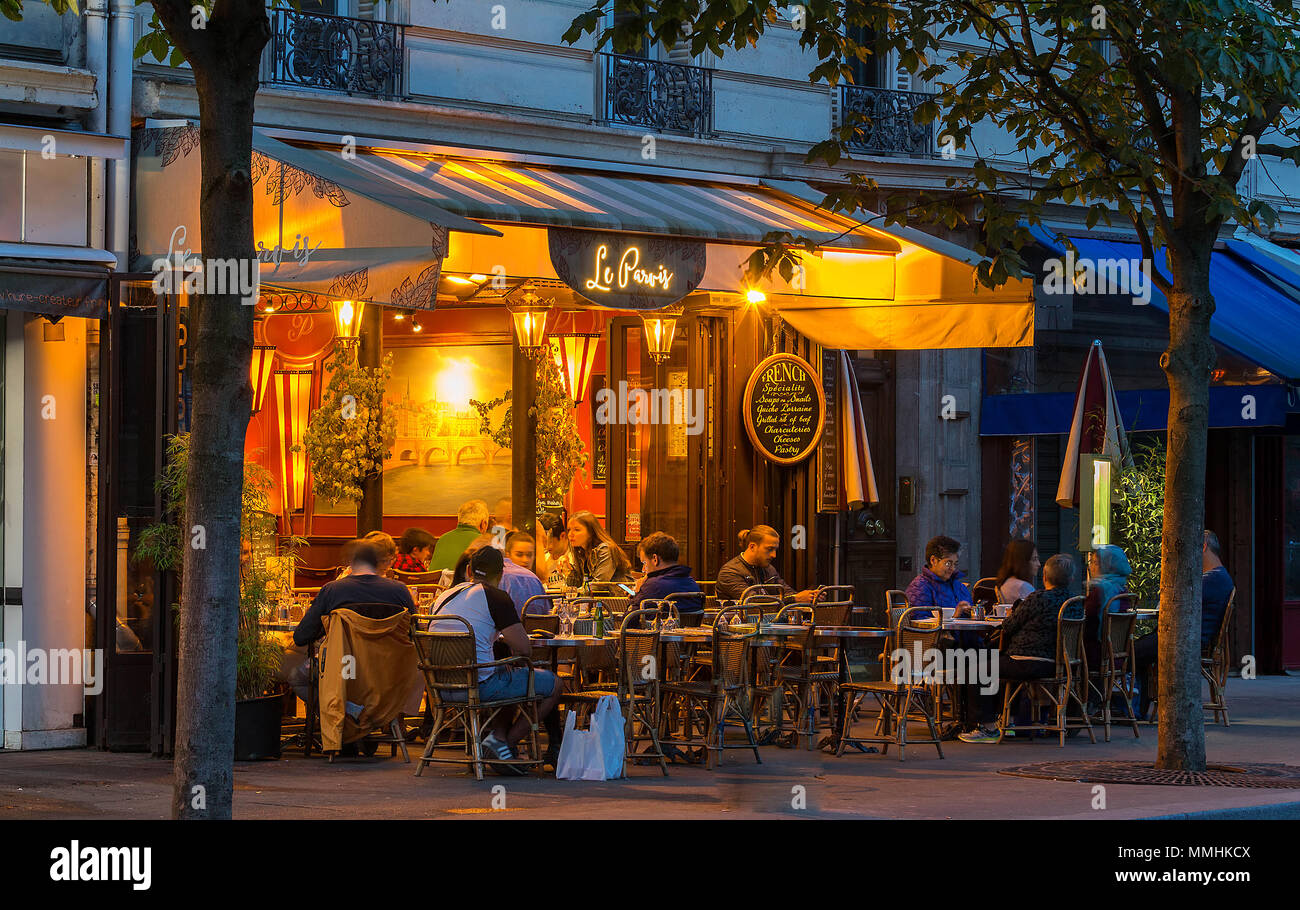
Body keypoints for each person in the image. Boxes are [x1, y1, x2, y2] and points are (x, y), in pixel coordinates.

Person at [432, 547, 564, 772]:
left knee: (509, 673)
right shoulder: (495, 597)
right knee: (554, 684)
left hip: (442, 686)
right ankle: (504, 745)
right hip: (480, 686)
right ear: (501, 574)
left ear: (468, 570)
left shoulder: (444, 596)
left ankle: (498, 738)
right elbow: (524, 649)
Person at [959, 554, 1082, 743]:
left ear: (1045, 577)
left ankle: (987, 728)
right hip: (1059, 663)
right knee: (994, 665)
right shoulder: (1075, 604)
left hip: (1026, 661)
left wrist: (1012, 613)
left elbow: (1008, 626)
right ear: (1071, 579)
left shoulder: (1038, 598)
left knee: (976, 670)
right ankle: (1007, 721)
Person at [279, 540, 415, 702]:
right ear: (377, 563)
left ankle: (340, 715)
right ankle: (381, 717)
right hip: (389, 671)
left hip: (346, 670)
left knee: (297, 677)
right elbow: (414, 632)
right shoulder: (400, 590)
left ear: (351, 563)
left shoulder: (333, 590)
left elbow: (301, 636)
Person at [1133, 531, 1234, 719]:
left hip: (1184, 640)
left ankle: (1132, 708)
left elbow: (1169, 604)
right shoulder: (1220, 577)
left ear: (1203, 547)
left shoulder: (1208, 580)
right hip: (1194, 638)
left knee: (1132, 652)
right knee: (1140, 649)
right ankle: (1137, 707)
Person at [715, 526, 817, 603]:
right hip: (738, 627)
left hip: (766, 624)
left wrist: (810, 596)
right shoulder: (730, 572)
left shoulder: (768, 568)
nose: (774, 555)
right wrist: (794, 599)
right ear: (752, 546)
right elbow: (754, 601)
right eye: (769, 549)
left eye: (775, 550)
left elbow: (786, 591)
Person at [1083, 544, 1133, 674]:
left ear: (1107, 566)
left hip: (1096, 654)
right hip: (1118, 654)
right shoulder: (1122, 591)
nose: (1091, 567)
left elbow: (1087, 621)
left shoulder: (1101, 592)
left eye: (1095, 563)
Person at [629, 532, 703, 613]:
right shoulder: (692, 584)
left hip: (657, 626)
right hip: (691, 626)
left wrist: (637, 593)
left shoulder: (653, 586)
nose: (643, 569)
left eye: (644, 563)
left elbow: (629, 620)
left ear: (655, 559)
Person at [904, 535, 973, 620]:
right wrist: (955, 616)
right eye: (948, 563)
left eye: (955, 564)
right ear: (933, 560)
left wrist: (972, 613)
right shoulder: (919, 587)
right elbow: (919, 625)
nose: (952, 568)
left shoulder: (959, 586)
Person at [565, 510, 633, 585]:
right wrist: (568, 570)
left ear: (591, 532)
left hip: (618, 596)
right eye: (569, 530)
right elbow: (574, 586)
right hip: (594, 596)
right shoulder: (581, 552)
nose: (570, 534)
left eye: (577, 530)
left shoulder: (605, 549)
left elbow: (599, 585)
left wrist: (577, 591)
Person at [429, 499, 491, 572]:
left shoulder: (443, 539)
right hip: (463, 583)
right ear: (484, 524)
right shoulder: (484, 542)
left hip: (433, 583)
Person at [499, 531, 546, 615]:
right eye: (519, 555)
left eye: (529, 555)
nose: (525, 560)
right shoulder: (532, 579)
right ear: (508, 555)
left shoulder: (534, 579)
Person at [994, 539, 1040, 605]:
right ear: (1022, 562)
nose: (1039, 564)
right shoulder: (1023, 587)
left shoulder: (1005, 583)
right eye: (1034, 559)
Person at [534, 513, 572, 586]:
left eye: (549, 541)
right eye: (543, 541)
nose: (546, 547)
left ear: (562, 536)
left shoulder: (575, 558)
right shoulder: (543, 558)